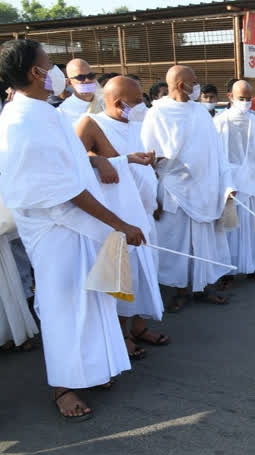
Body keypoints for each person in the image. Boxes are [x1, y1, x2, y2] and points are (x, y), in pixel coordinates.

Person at [0, 39, 146, 420]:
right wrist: (120, 224)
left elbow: (72, 164)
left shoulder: (41, 111)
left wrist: (96, 162)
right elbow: (64, 190)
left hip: (76, 226)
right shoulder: (21, 120)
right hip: (55, 229)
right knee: (63, 306)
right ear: (35, 73)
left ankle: (94, 369)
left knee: (92, 300)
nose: (54, 70)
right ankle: (64, 385)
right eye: (50, 64)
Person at [75, 75, 167, 359]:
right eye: (138, 101)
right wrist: (96, 160)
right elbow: (71, 164)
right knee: (125, 277)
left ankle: (139, 327)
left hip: (145, 213)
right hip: (118, 219)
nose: (143, 105)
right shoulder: (91, 124)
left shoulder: (141, 123)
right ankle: (122, 335)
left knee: (146, 273)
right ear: (117, 103)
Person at [141, 65, 233, 312]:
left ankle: (204, 287)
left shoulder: (201, 113)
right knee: (178, 244)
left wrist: (226, 184)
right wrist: (153, 200)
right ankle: (180, 291)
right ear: (181, 85)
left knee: (205, 241)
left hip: (204, 190)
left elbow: (216, 152)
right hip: (174, 191)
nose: (197, 86)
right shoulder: (156, 114)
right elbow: (147, 160)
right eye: (194, 82)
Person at [214, 80, 255, 283]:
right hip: (230, 184)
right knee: (230, 230)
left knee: (252, 231)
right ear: (230, 96)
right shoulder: (220, 121)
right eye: (242, 98)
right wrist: (225, 184)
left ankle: (252, 268)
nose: (246, 103)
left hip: (251, 183)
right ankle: (227, 273)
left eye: (249, 99)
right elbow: (217, 157)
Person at [59, 58, 104, 125]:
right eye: (80, 77)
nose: (87, 80)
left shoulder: (107, 100)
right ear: (69, 82)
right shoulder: (63, 111)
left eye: (91, 76)